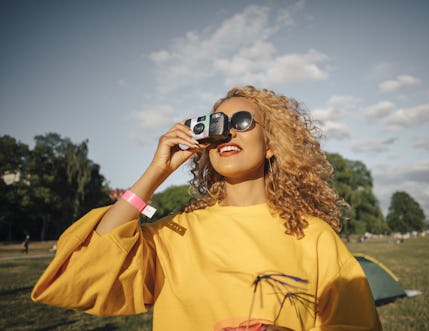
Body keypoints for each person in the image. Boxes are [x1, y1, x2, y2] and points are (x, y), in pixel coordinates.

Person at [32, 86, 381, 330]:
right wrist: (157, 172)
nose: (227, 135)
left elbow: (356, 325)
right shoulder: (176, 234)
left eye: (242, 123)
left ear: (271, 144)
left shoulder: (313, 236)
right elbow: (81, 274)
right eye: (218, 126)